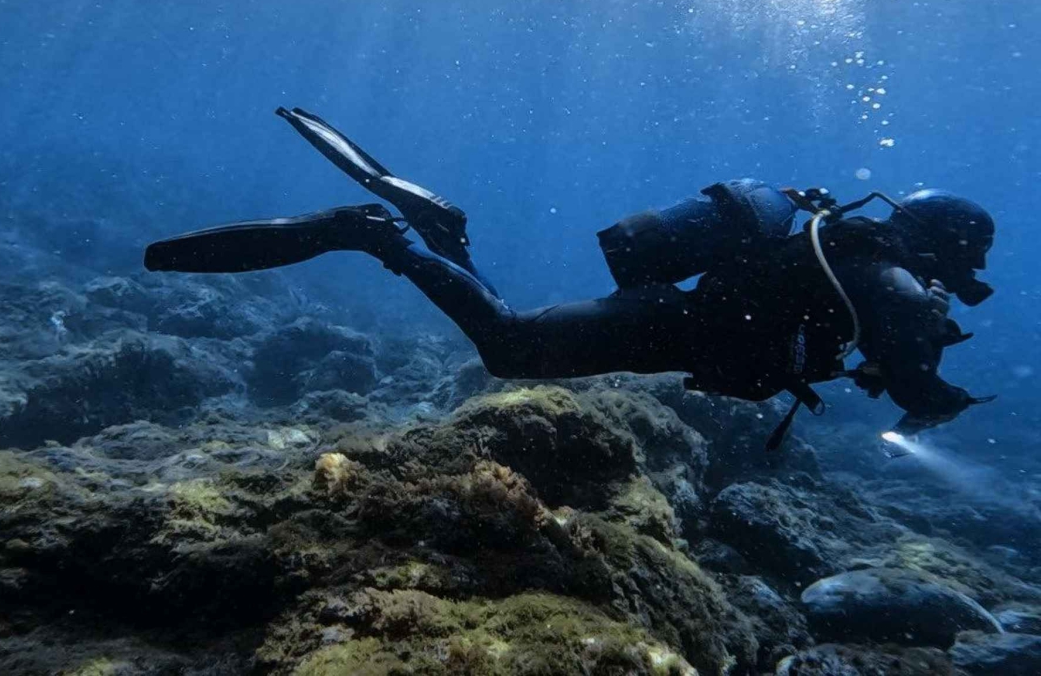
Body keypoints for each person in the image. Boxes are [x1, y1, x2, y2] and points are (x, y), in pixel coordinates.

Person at [145, 107, 997, 446]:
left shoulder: (861, 256)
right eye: (968, 260)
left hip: (678, 319)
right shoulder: (888, 280)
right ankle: (380, 233)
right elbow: (914, 379)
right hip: (672, 323)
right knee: (511, 348)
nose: (966, 277)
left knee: (515, 336)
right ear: (946, 244)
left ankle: (439, 231)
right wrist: (936, 395)